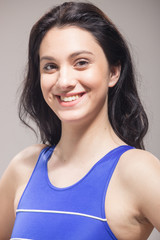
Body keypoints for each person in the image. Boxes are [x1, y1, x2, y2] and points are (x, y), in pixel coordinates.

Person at [0, 1, 160, 239]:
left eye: (81, 62)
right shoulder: (23, 168)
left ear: (114, 72)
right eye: (50, 66)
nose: (64, 81)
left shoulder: (137, 171)